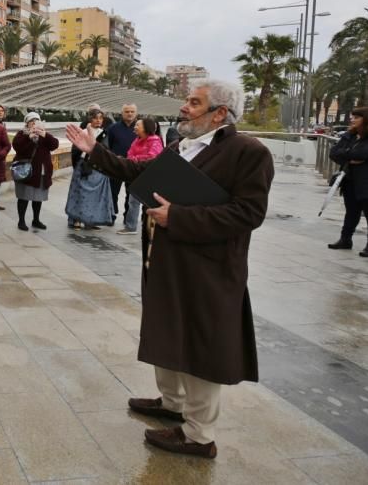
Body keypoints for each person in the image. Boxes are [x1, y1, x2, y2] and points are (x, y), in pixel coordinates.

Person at [65, 79, 274, 459]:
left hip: (208, 271)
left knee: (200, 346)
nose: (184, 108)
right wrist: (94, 149)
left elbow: (249, 213)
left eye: (194, 103)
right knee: (170, 332)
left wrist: (178, 216)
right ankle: (172, 404)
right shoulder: (182, 147)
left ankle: (198, 436)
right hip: (166, 262)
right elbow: (135, 172)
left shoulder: (248, 152)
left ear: (220, 113)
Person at [327, 106, 368, 257]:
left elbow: (367, 152)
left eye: (356, 117)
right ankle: (345, 240)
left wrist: (347, 154)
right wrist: (351, 155)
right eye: (352, 117)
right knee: (351, 212)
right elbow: (334, 153)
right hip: (351, 179)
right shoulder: (350, 135)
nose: (352, 119)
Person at [65, 108, 112, 229]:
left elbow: (106, 150)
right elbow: (75, 151)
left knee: (95, 196)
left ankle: (91, 220)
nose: (98, 120)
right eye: (95, 118)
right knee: (79, 193)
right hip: (84, 166)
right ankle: (76, 219)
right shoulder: (83, 132)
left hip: (98, 168)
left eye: (100, 118)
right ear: (90, 119)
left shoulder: (104, 133)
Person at [117, 117, 164, 235]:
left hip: (150, 177)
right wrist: (135, 159)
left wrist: (135, 159)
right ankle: (131, 227)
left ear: (146, 128)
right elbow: (129, 154)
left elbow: (152, 157)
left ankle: (150, 228)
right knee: (133, 202)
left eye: (138, 125)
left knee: (149, 204)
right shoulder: (137, 140)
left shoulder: (155, 141)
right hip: (137, 175)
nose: (135, 127)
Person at [12, 112, 59, 231]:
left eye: (36, 121)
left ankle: (36, 219)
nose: (34, 123)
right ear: (27, 123)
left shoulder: (44, 135)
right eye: (31, 121)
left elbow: (54, 145)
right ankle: (21, 221)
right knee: (23, 197)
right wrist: (29, 138)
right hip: (26, 172)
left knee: (38, 198)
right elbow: (17, 147)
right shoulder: (22, 134)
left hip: (41, 172)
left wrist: (44, 134)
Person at [107, 104, 138, 226]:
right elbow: (108, 145)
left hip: (134, 166)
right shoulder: (113, 128)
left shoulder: (140, 128)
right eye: (127, 111)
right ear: (122, 113)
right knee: (112, 192)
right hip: (116, 165)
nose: (129, 114)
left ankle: (128, 218)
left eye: (132, 111)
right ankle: (111, 215)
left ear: (136, 113)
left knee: (131, 194)